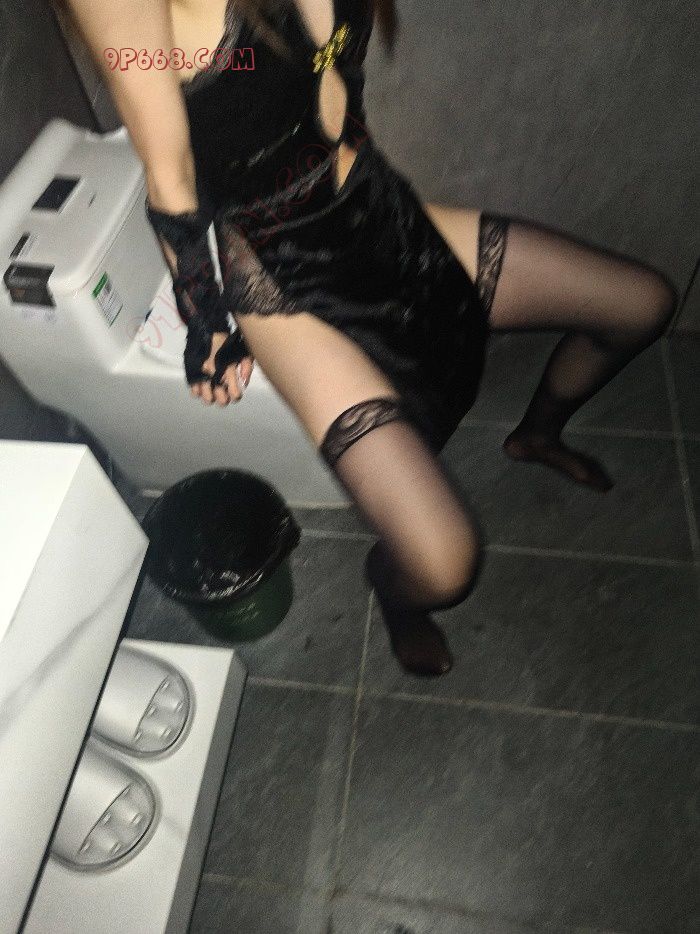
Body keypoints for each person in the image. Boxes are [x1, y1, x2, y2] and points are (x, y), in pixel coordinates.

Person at [57, 0, 678, 677]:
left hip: (379, 213)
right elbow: (171, 179)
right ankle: (393, 591)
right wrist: (206, 324)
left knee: (640, 305)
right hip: (283, 273)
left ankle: (538, 433)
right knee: (443, 566)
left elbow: (327, 77)